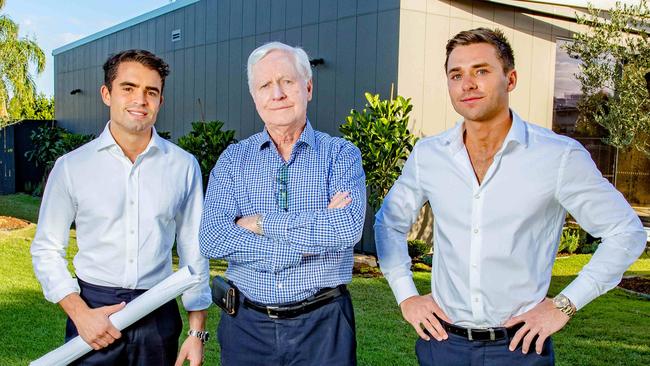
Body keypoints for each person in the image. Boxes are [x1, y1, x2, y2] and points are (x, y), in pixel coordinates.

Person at [374, 28, 646, 366]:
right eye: (456, 74)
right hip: (443, 344)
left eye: (481, 71)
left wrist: (565, 304)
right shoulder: (429, 154)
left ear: (511, 79)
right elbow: (388, 222)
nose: (467, 84)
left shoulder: (558, 157)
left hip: (520, 349)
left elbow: (626, 232)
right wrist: (406, 296)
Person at [31, 49, 211, 366]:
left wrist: (196, 333)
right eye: (128, 88)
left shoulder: (183, 166)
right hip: (92, 311)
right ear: (106, 93)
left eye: (151, 92)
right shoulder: (72, 167)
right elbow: (46, 248)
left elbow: (193, 249)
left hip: (158, 315)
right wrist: (79, 313)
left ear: (160, 101)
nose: (140, 100)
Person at [199, 41, 366, 366]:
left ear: (308, 87)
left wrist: (260, 223)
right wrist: (310, 233)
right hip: (247, 327)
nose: (277, 93)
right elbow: (212, 238)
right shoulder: (234, 160)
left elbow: (346, 228)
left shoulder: (341, 155)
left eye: (287, 81)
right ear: (255, 97)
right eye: (265, 85)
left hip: (323, 327)